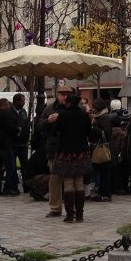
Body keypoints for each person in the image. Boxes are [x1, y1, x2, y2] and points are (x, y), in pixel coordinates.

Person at [48, 84, 93, 222]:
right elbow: (89, 132)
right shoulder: (84, 115)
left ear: (68, 102)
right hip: (81, 152)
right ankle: (79, 214)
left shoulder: (63, 115)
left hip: (65, 152)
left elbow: (54, 131)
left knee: (68, 183)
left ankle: (69, 215)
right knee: (79, 182)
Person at [0, 97, 21, 196]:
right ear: (2, 105)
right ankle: (8, 188)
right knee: (10, 167)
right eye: (7, 105)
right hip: (5, 145)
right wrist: (17, 130)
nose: (8, 107)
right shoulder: (5, 114)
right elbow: (10, 128)